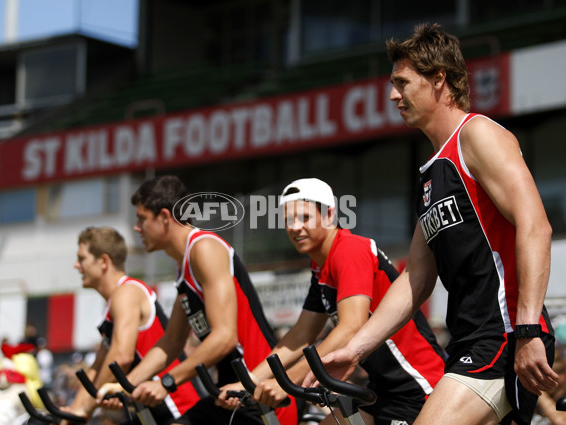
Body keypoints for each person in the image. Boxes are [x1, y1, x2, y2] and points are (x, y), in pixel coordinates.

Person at [304, 23, 558, 425]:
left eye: (402, 83)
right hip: (468, 339)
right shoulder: (432, 171)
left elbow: (536, 225)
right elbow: (415, 279)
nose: (393, 95)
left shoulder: (477, 135)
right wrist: (355, 350)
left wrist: (527, 330)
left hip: (504, 335)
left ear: (439, 78)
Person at [218, 178, 446, 425]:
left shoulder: (349, 250)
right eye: (288, 220)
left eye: (304, 218)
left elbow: (351, 327)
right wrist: (249, 381)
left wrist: (287, 383)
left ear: (329, 214)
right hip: (382, 389)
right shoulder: (320, 266)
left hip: (418, 385)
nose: (294, 227)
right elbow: (301, 335)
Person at [97, 175, 298, 425]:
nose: (137, 228)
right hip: (228, 392)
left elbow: (225, 337)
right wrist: (127, 385)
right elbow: (172, 342)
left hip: (261, 391)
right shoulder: (184, 265)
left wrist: (166, 382)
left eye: (141, 219)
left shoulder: (204, 249)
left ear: (163, 217)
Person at [61, 226, 201, 423]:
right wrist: (72, 413)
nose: (76, 265)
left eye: (82, 258)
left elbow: (120, 358)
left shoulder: (127, 292)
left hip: (180, 412)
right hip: (155, 413)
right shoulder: (113, 305)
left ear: (104, 261)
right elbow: (97, 368)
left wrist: (86, 407)